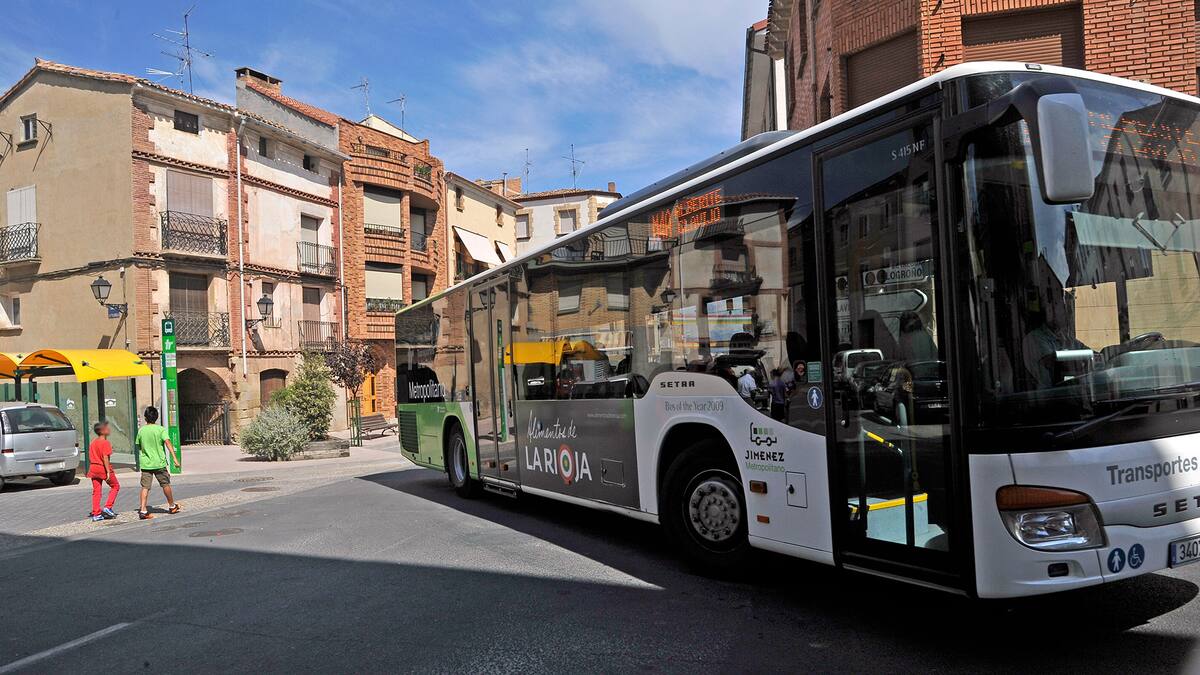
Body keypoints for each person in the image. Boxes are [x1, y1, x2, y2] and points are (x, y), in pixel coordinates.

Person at [135, 406, 181, 520]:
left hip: (146, 463)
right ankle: (171, 506)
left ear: (145, 417)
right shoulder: (161, 430)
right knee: (165, 484)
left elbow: (138, 445)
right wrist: (174, 458)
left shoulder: (141, 430)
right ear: (157, 417)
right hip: (159, 463)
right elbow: (168, 443)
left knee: (145, 487)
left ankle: (143, 510)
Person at [87, 421, 120, 522]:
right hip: (103, 468)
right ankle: (108, 507)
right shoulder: (105, 443)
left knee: (97, 491)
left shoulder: (93, 442)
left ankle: (96, 513)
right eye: (107, 428)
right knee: (115, 486)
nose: (109, 429)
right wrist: (108, 472)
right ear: (102, 431)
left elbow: (90, 456)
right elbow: (105, 458)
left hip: (93, 468)